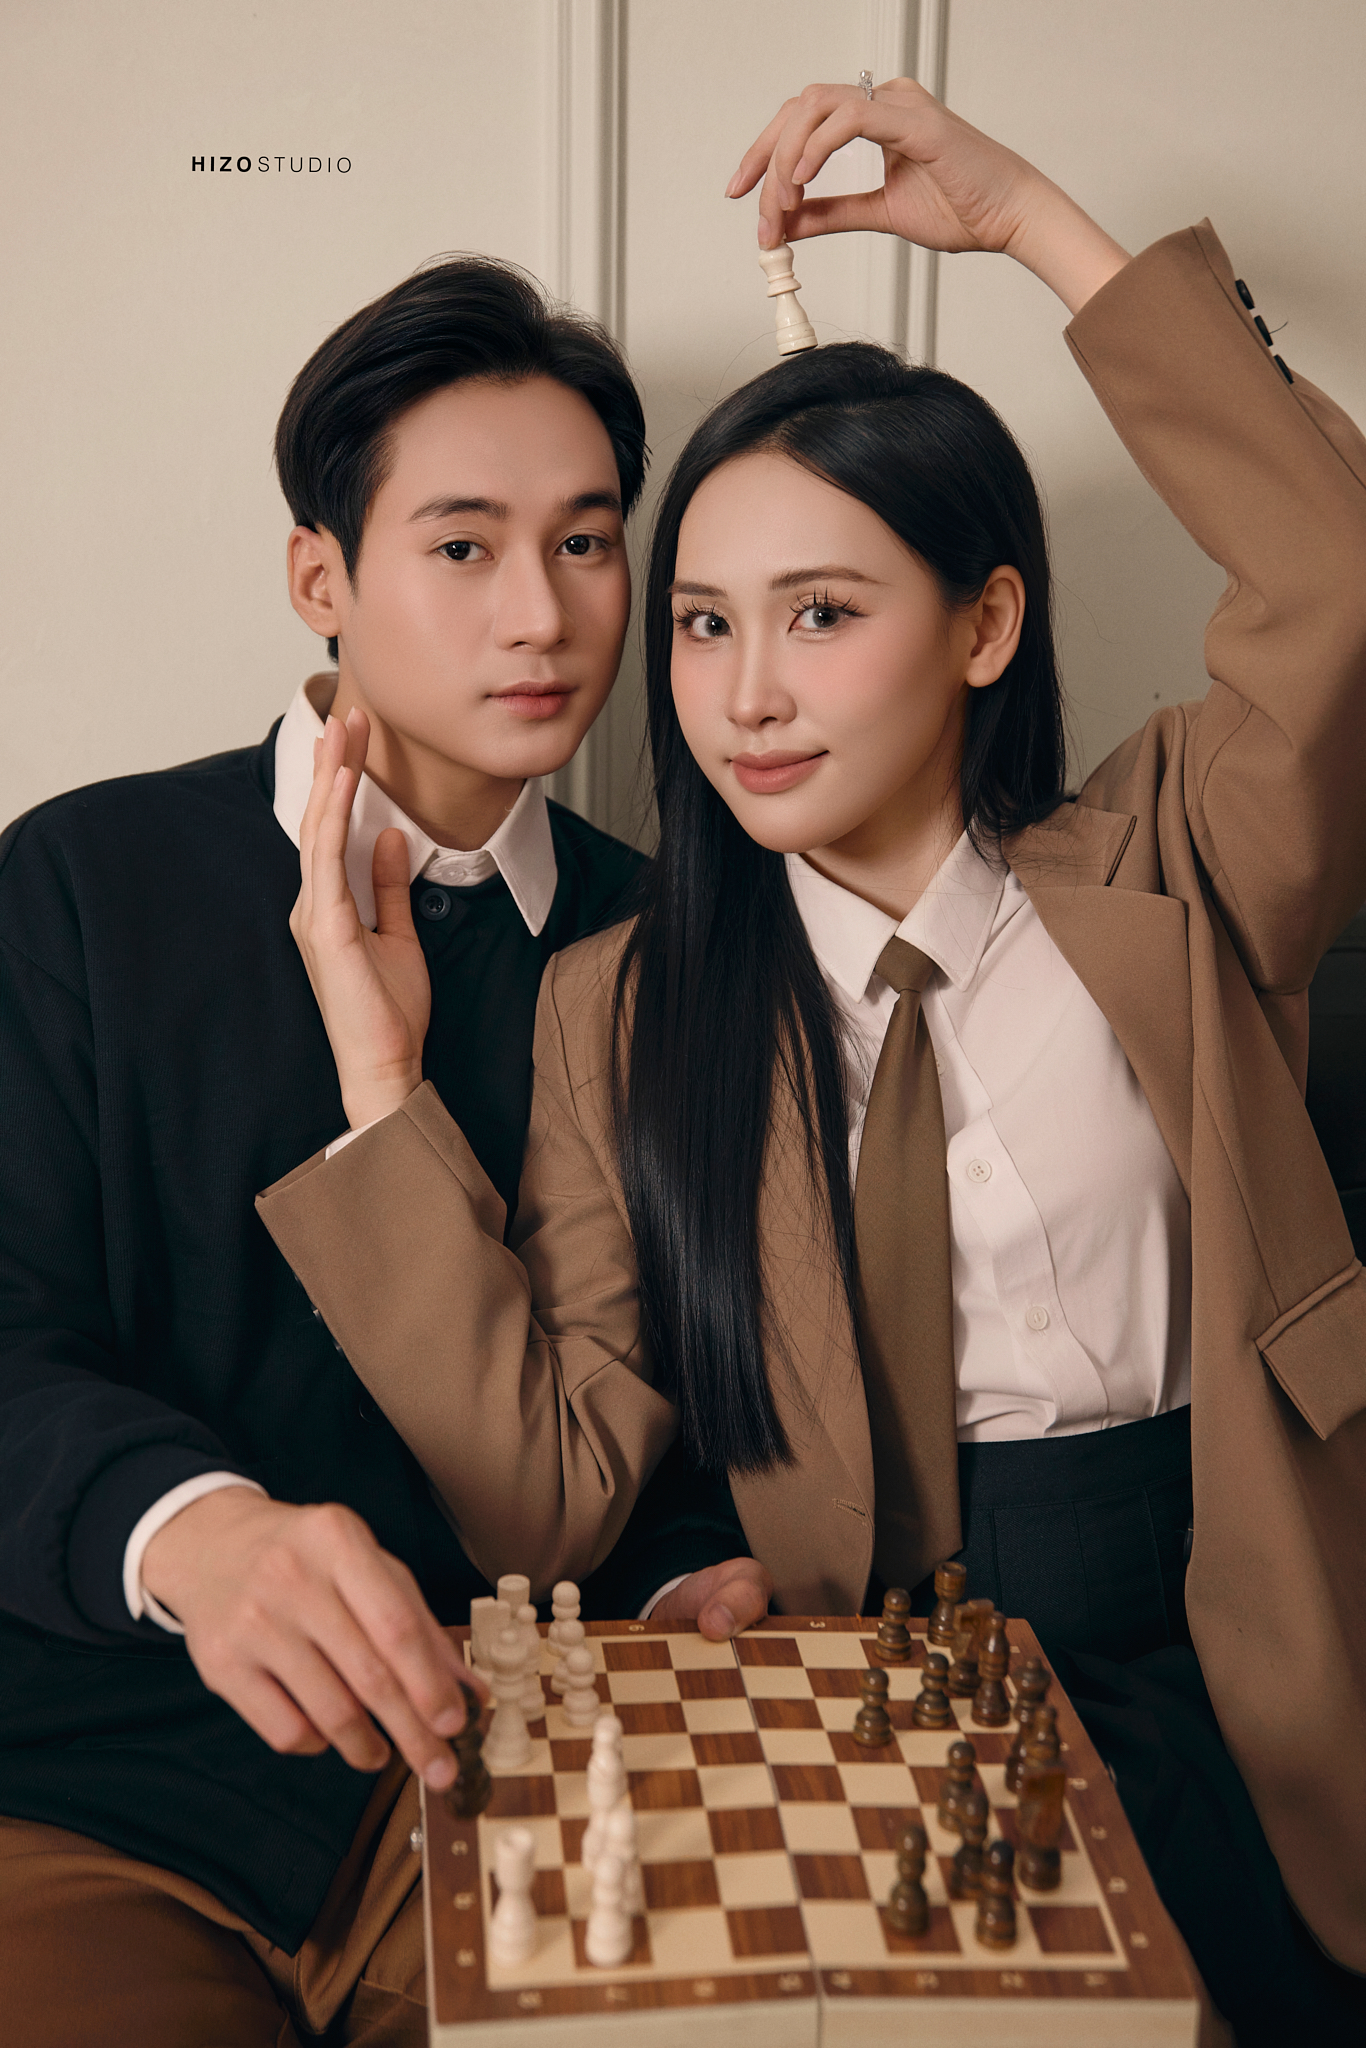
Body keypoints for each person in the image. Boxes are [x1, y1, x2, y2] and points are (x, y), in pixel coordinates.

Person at [261, 82, 1366, 2043]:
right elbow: (545, 1493)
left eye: (821, 614)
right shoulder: (623, 1002)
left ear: (984, 624)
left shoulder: (1172, 861)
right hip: (872, 1691)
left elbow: (1334, 583)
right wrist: (376, 1076)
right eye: (699, 624)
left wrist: (1026, 221)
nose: (742, 695)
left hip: (1246, 1630)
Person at [0, 255, 765, 2046]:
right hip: (100, 1795)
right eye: (463, 546)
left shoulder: (669, 946)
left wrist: (690, 1574)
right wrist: (188, 1531)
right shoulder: (88, 882)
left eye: (586, 542)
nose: (541, 615)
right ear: (320, 579)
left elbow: (681, 1392)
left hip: (522, 1786)